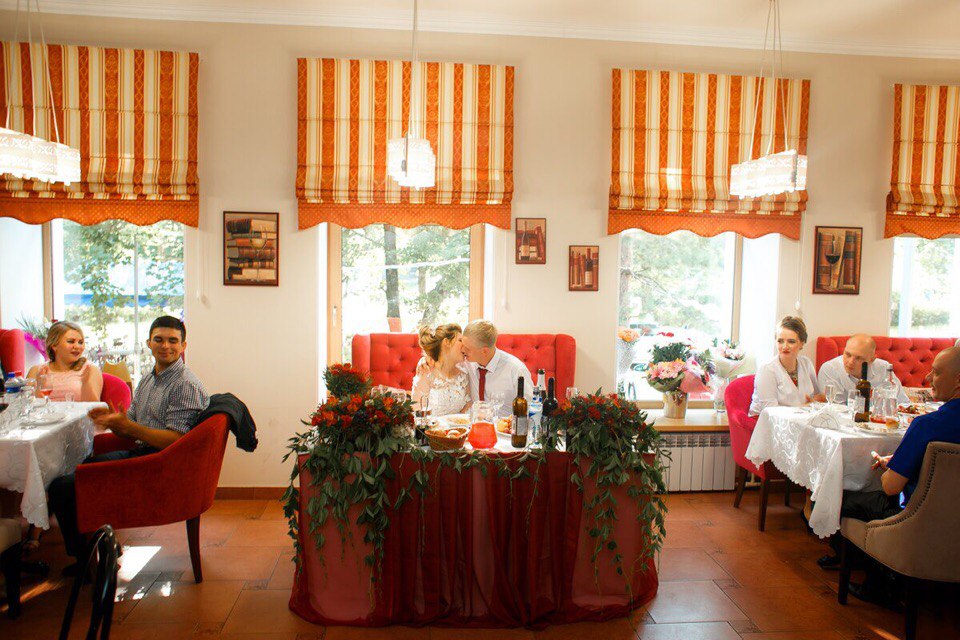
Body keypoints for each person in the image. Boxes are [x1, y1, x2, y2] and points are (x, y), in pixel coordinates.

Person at [48, 316, 209, 570]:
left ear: (183, 346)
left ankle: (87, 561)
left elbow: (176, 441)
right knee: (80, 470)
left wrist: (129, 427)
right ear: (148, 343)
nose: (165, 346)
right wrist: (113, 421)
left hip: (161, 467)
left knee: (63, 486)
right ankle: (99, 547)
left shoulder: (184, 384)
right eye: (159, 339)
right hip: (143, 455)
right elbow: (130, 425)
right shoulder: (149, 379)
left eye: (172, 341)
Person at [818, 347, 960, 603]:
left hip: (918, 521)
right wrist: (904, 460)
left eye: (936, 372)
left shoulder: (926, 425)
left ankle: (884, 581)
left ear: (958, 380)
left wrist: (890, 469)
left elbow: (891, 487)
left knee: (837, 499)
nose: (928, 377)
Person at [749, 316, 823, 416]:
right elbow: (770, 411)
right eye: (780, 341)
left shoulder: (806, 363)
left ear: (802, 343)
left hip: (800, 419)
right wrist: (805, 408)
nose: (785, 346)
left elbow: (817, 396)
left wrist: (814, 402)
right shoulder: (766, 369)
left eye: (791, 341)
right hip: (766, 421)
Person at [460, 320, 532, 410]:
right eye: (462, 344)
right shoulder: (466, 362)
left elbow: (531, 407)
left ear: (484, 351)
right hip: (474, 418)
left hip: (506, 418)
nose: (462, 350)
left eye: (467, 348)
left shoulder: (516, 370)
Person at [817, 334, 908, 403]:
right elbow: (836, 409)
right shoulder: (830, 369)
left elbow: (902, 402)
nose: (850, 362)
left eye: (858, 358)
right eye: (848, 354)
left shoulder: (884, 368)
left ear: (872, 359)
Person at [27, 321, 103, 402]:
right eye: (71, 341)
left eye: (80, 342)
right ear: (54, 345)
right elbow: (25, 405)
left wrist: (86, 386)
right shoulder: (36, 371)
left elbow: (95, 407)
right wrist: (39, 388)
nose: (77, 346)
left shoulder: (90, 370)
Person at [411, 323, 471, 417]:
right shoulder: (426, 371)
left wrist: (458, 423)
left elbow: (468, 405)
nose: (465, 345)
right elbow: (417, 409)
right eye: (460, 340)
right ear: (447, 342)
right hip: (430, 426)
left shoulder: (464, 372)